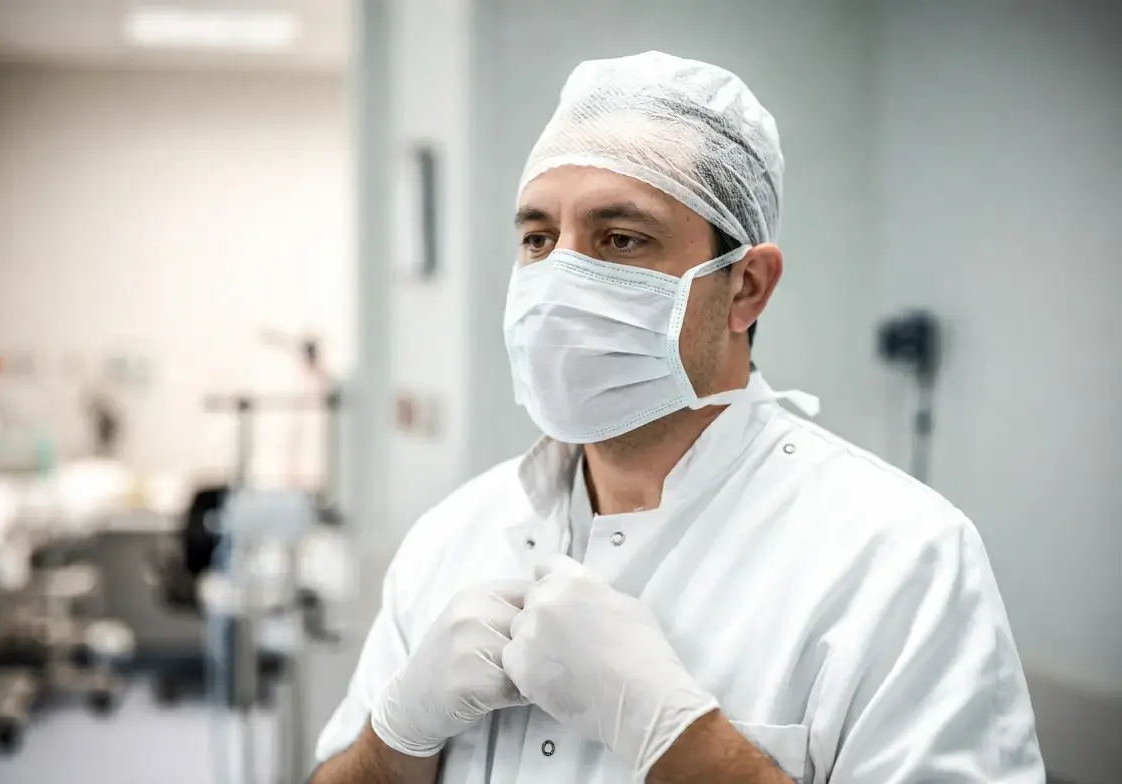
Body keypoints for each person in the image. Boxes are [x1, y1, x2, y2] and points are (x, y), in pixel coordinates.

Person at [311, 51, 1045, 783]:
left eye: (621, 239)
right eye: (538, 238)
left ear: (747, 288)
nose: (560, 279)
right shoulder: (450, 538)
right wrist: (399, 733)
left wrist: (679, 735)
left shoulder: (896, 560)